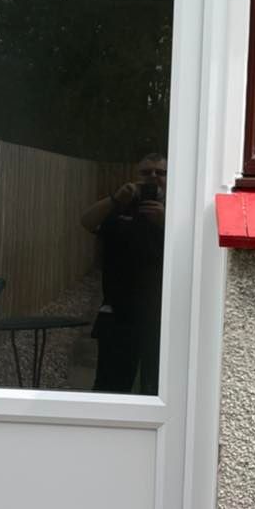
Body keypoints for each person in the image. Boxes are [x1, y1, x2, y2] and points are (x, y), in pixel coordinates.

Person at [80, 154, 166, 395]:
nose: (153, 177)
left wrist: (165, 221)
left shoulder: (178, 213)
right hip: (118, 315)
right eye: (146, 172)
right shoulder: (120, 208)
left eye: (160, 172)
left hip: (161, 317)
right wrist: (115, 199)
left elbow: (194, 248)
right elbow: (86, 221)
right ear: (136, 177)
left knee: (156, 390)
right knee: (110, 390)